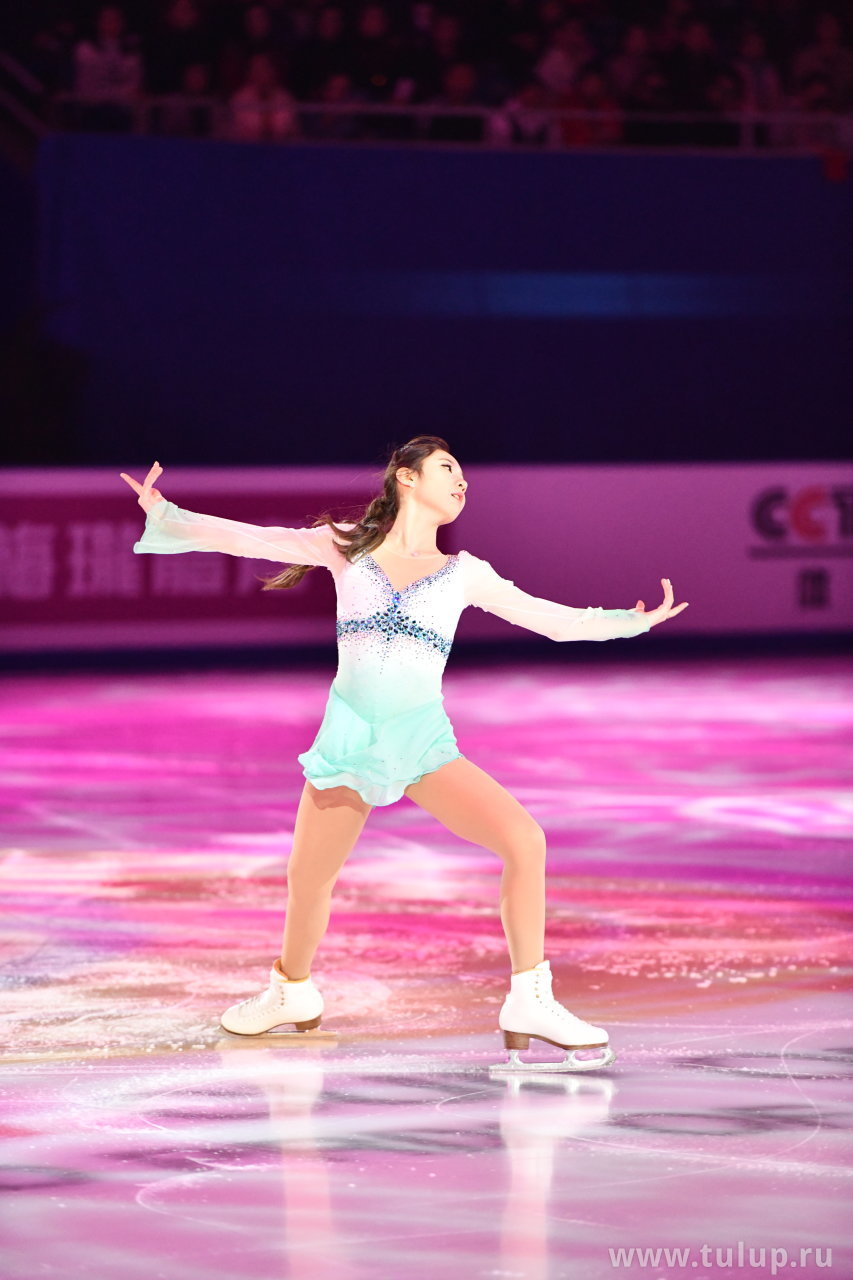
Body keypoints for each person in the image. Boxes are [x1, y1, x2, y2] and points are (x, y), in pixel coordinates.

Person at [121, 438, 688, 1073]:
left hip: (421, 745)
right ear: (407, 478)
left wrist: (630, 621)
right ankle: (291, 990)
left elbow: (548, 619)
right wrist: (165, 514)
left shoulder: (465, 572)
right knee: (308, 880)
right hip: (350, 741)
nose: (462, 481)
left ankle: (530, 999)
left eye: (465, 473)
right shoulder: (346, 546)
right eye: (448, 469)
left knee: (525, 841)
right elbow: (251, 539)